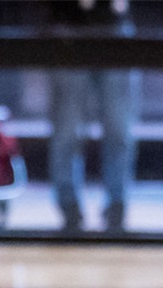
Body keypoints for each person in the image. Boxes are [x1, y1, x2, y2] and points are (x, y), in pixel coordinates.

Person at [47, 0, 139, 233]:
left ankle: (117, 204)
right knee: (67, 129)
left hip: (115, 29)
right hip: (69, 28)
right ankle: (69, 207)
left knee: (119, 127)